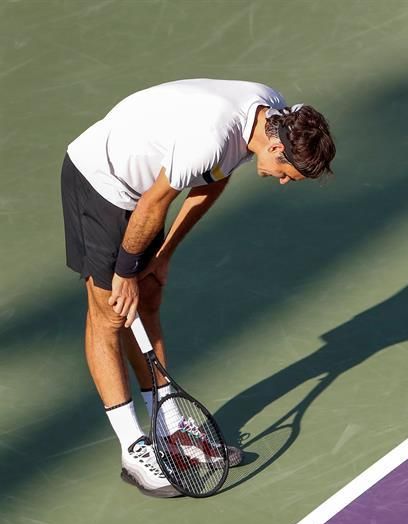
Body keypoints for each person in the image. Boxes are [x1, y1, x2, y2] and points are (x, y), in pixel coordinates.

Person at [60, 79, 336, 497]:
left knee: (148, 299)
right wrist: (126, 271)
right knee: (110, 313)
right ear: (278, 149)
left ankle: (170, 429)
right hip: (101, 180)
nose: (282, 181)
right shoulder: (209, 138)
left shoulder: (272, 115)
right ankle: (133, 449)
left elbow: (214, 180)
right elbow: (156, 203)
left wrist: (164, 254)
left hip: (145, 186)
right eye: (286, 175)